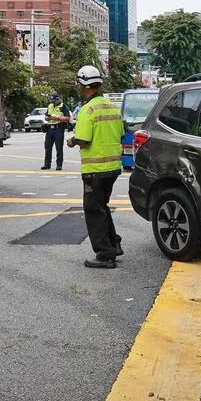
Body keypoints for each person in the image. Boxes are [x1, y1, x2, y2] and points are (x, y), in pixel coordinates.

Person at [66, 65, 124, 269]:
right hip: (113, 168)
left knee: (93, 209)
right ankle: (113, 244)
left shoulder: (87, 110)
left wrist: (72, 141)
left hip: (95, 170)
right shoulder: (111, 108)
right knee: (102, 206)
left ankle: (105, 254)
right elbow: (121, 134)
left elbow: (83, 139)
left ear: (83, 85)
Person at [42, 93, 69, 170]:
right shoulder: (50, 106)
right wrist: (47, 118)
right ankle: (47, 164)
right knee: (47, 147)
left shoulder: (63, 107)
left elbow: (67, 118)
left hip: (58, 129)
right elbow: (47, 115)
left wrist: (56, 118)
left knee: (59, 148)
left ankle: (59, 165)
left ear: (58, 99)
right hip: (50, 129)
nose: (53, 102)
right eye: (52, 100)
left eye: (54, 100)